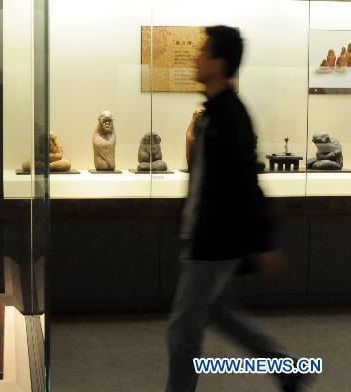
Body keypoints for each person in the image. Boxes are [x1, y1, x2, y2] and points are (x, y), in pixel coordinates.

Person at [166, 26, 307, 391]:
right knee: (221, 313)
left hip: (213, 243)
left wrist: (265, 242)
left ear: (219, 62)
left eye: (203, 51)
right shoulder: (212, 113)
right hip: (206, 235)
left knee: (182, 331)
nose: (196, 57)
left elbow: (247, 183)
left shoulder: (231, 117)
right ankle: (286, 366)